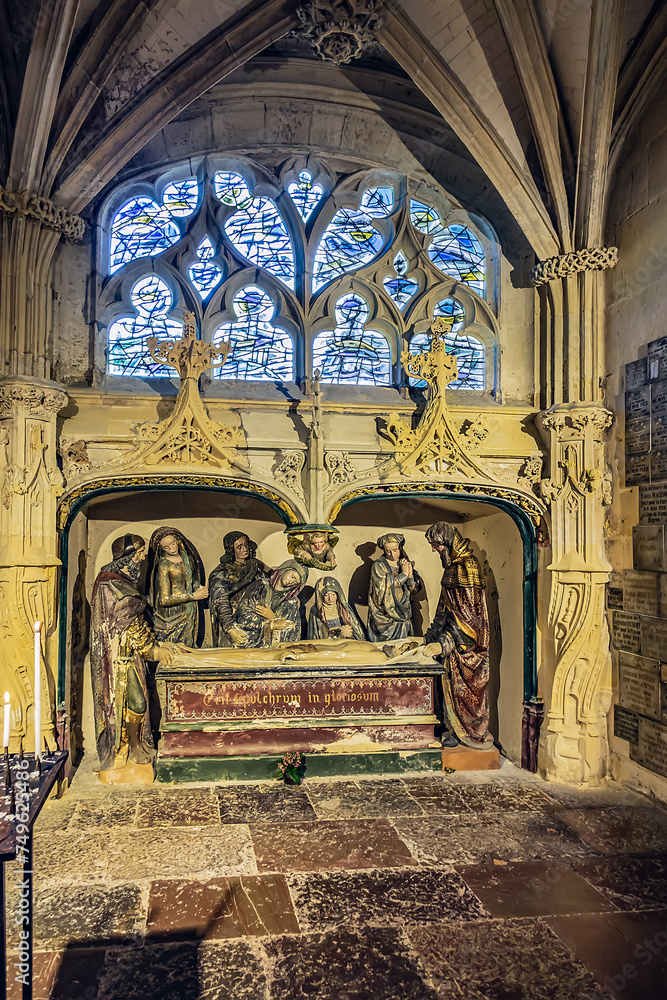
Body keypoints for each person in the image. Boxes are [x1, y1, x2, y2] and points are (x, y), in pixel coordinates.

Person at [90, 534, 176, 771]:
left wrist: (156, 643)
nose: (141, 559)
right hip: (119, 656)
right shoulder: (112, 584)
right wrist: (154, 650)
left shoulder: (119, 581)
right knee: (134, 702)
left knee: (135, 702)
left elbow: (136, 619)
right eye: (137, 555)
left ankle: (134, 746)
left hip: (129, 652)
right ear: (126, 557)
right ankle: (128, 748)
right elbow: (129, 621)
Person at [423, 521, 492, 748]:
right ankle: (452, 726)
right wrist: (432, 635)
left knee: (465, 693)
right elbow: (445, 608)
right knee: (448, 688)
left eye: (436, 545)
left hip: (467, 647)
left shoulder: (467, 567)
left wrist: (446, 643)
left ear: (447, 541)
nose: (434, 550)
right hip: (452, 644)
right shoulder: (451, 567)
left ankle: (468, 732)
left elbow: (470, 618)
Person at [208, 531, 271, 646]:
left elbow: (274, 579)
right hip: (234, 619)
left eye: (246, 544)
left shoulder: (255, 565)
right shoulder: (222, 572)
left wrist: (289, 594)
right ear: (231, 550)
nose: (245, 549)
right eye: (239, 547)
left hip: (257, 618)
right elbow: (220, 601)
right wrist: (230, 628)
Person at [147, 527, 207, 646]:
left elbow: (190, 579)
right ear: (161, 549)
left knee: (189, 649)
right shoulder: (164, 566)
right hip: (172, 616)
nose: (172, 548)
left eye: (173, 543)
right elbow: (164, 599)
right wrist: (193, 596)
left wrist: (198, 587)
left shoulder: (186, 558)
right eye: (166, 547)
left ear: (178, 541)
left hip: (189, 612)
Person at [232, 559, 308, 647]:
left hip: (275, 650)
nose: (291, 582)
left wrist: (273, 617)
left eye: (295, 583)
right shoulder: (259, 586)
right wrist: (271, 624)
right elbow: (242, 617)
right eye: (292, 576)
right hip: (251, 646)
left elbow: (293, 632)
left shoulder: (290, 602)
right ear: (286, 569)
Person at [367, 533, 421, 642]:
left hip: (403, 611)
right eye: (388, 551)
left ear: (400, 548)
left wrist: (410, 575)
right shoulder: (378, 566)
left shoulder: (404, 563)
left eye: (395, 550)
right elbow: (382, 589)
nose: (392, 554)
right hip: (384, 615)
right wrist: (404, 575)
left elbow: (412, 590)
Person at [308, 576, 365, 640]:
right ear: (321, 596)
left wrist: (348, 632)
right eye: (326, 595)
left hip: (345, 643)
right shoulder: (316, 611)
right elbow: (315, 637)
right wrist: (337, 636)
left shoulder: (344, 609)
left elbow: (358, 633)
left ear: (338, 594)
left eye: (333, 594)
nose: (330, 599)